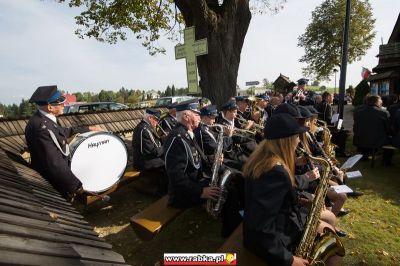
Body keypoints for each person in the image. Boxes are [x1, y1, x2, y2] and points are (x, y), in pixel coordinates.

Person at [242, 113, 343, 266]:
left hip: (280, 222)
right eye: (297, 137)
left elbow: (272, 201)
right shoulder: (275, 171)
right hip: (277, 236)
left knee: (328, 226)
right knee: (335, 256)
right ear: (287, 141)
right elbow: (259, 229)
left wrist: (301, 201)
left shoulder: (262, 158)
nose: (298, 141)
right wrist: (289, 260)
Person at [164, 99, 242, 236]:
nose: (200, 117)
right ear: (186, 117)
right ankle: (230, 232)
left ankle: (233, 222)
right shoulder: (177, 138)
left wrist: (211, 159)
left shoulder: (186, 133)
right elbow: (176, 178)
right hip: (182, 194)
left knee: (232, 187)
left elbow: (195, 159)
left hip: (194, 183)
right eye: (196, 114)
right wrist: (201, 191)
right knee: (229, 192)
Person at [25, 85, 102, 199]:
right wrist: (76, 186)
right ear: (50, 107)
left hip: (56, 178)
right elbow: (55, 164)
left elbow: (63, 132)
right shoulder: (41, 129)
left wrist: (89, 128)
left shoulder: (44, 119)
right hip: (53, 183)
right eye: (60, 103)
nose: (64, 105)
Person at [132, 108, 167, 195]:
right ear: (150, 118)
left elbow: (156, 143)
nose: (157, 122)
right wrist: (166, 146)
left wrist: (164, 139)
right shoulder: (143, 130)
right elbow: (151, 152)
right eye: (156, 119)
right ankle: (159, 191)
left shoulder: (147, 127)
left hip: (149, 157)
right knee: (167, 164)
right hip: (143, 161)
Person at [353, 95, 393, 165]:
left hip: (360, 139)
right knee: (391, 139)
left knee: (367, 134)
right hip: (377, 141)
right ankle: (386, 161)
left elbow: (356, 127)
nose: (382, 102)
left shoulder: (358, 112)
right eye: (381, 100)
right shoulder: (384, 113)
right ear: (377, 102)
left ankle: (364, 156)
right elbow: (388, 129)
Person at [316, 91, 350, 157]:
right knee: (342, 133)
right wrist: (336, 125)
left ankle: (337, 150)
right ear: (328, 97)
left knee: (341, 130)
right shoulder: (326, 105)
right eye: (332, 96)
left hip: (321, 127)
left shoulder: (321, 104)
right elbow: (328, 120)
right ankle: (340, 152)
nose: (333, 98)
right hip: (325, 128)